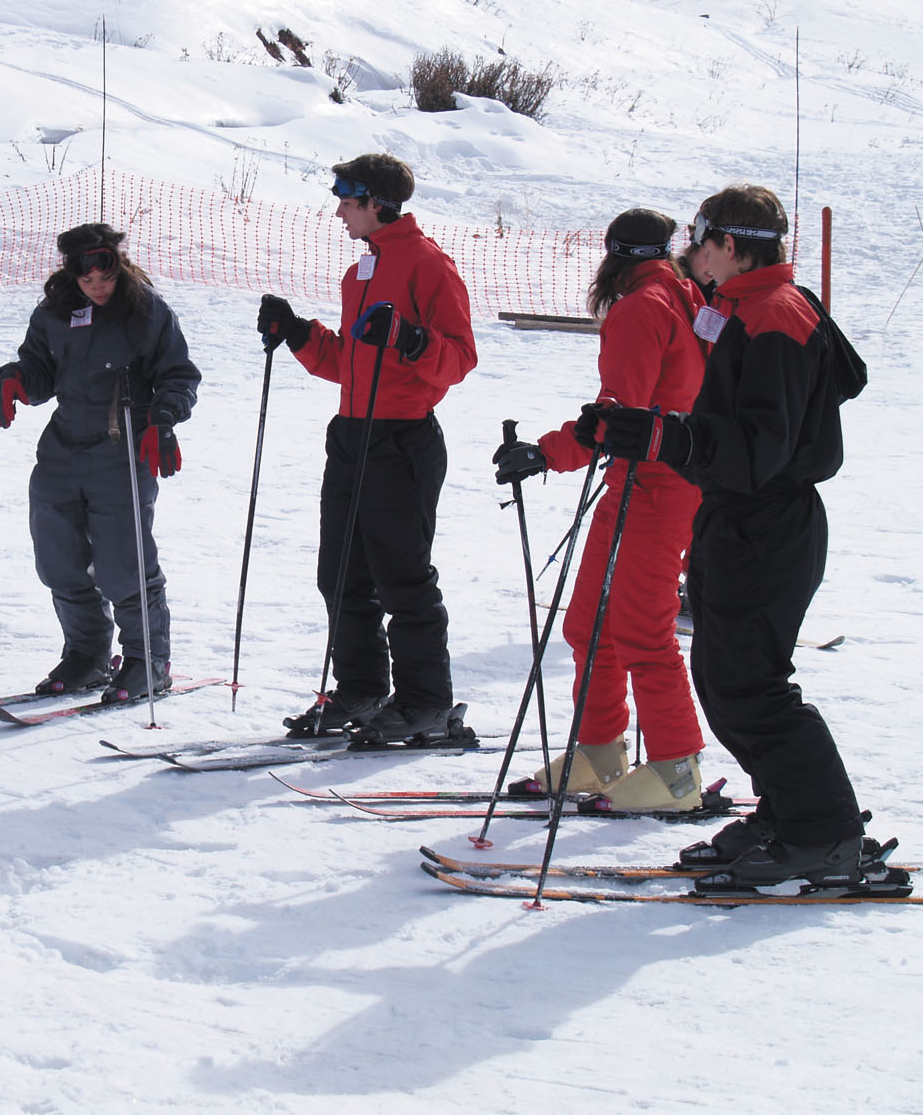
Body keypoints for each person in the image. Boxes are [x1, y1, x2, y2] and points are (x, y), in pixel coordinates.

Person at [590, 183, 872, 889]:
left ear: (731, 245)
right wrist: (662, 434)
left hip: (767, 520)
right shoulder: (743, 307)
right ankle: (787, 813)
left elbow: (757, 449)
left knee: (751, 684)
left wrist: (662, 436)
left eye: (700, 238)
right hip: (739, 516)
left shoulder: (773, 314)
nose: (691, 252)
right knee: (723, 678)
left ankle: (826, 831)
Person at [491, 209, 708, 810]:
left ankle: (676, 767)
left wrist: (546, 453)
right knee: (589, 623)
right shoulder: (679, 293)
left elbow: (618, 414)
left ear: (613, 257)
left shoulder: (644, 307)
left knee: (641, 629)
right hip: (642, 482)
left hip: (657, 487)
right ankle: (600, 749)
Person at [257, 153, 477, 743]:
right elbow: (352, 363)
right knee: (341, 576)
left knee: (403, 579)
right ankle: (360, 688)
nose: (339, 211)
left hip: (402, 438)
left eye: (347, 201)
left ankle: (427, 701)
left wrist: (409, 338)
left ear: (375, 202)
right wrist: (299, 333)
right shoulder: (364, 268)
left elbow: (458, 357)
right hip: (352, 434)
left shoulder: (428, 264)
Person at [0, 222, 200, 702]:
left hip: (122, 448)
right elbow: (40, 370)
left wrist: (163, 419)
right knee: (57, 558)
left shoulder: (145, 311)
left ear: (117, 263)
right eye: (86, 279)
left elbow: (179, 373)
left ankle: (149, 660)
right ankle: (87, 653)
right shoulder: (56, 312)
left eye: (104, 276)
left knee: (123, 564)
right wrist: (18, 379)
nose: (97, 286)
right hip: (63, 448)